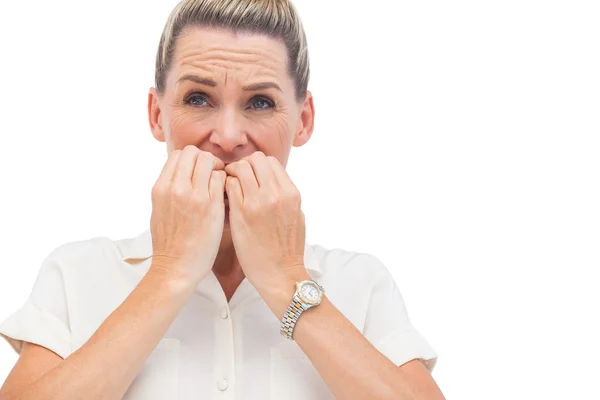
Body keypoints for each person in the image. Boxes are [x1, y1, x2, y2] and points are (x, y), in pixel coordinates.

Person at [0, 0, 445, 399]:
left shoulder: (360, 282)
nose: (229, 137)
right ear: (158, 116)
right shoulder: (77, 273)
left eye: (260, 103)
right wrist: (170, 273)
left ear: (303, 121)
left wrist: (286, 280)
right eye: (198, 98)